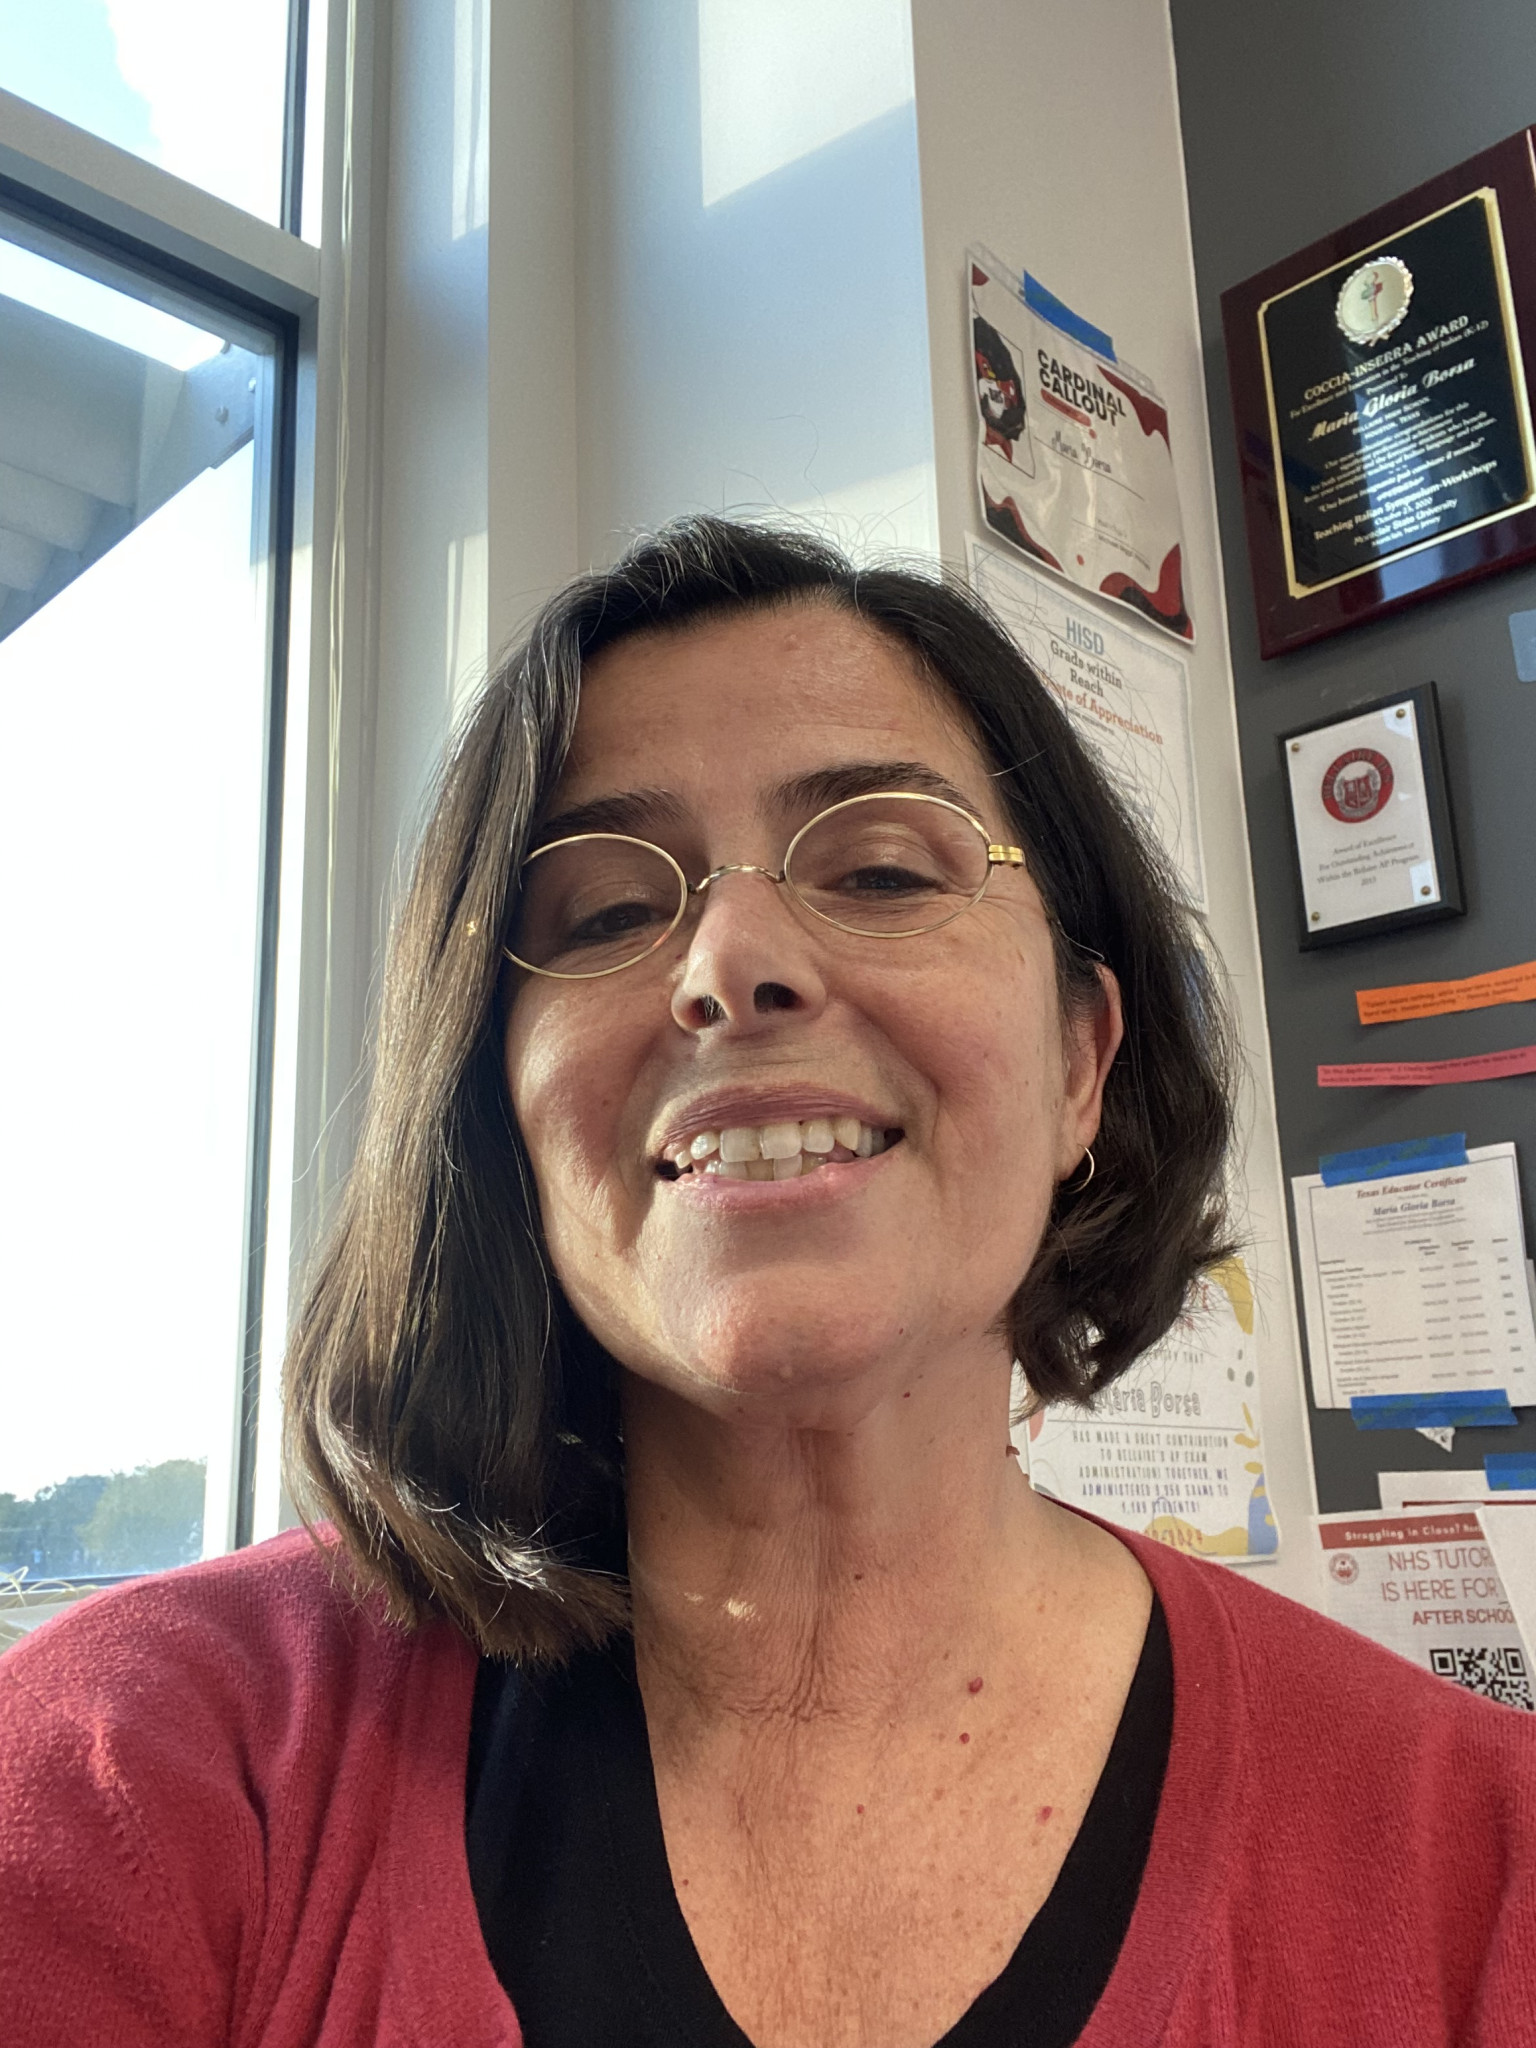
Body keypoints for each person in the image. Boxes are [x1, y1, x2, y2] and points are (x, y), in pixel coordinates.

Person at [1, 517, 1532, 2048]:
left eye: (881, 869)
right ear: (497, 1110)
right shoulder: (136, 1765)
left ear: (1081, 1063)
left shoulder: (1482, 1864)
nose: (732, 961)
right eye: (608, 912)